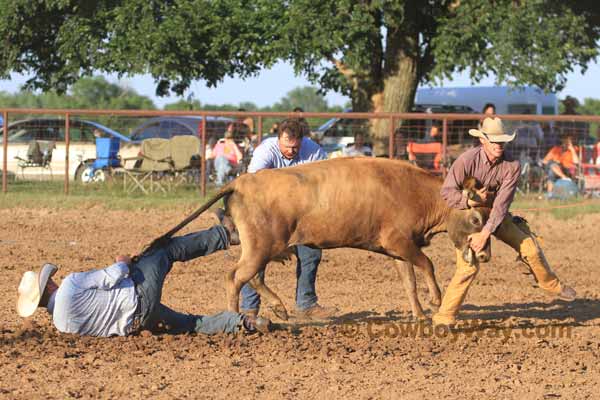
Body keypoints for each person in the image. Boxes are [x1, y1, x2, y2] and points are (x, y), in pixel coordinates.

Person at [432, 116, 576, 327]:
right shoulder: (466, 160)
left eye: (502, 141)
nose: (499, 145)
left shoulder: (512, 165)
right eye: (494, 140)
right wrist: (469, 199)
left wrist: (485, 234)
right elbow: (447, 192)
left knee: (531, 248)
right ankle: (444, 317)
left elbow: (501, 205)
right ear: (483, 141)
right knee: (468, 267)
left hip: (495, 215)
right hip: (465, 216)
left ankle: (550, 284)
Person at [16, 221, 271, 337]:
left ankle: (243, 323)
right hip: (138, 293)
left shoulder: (62, 325)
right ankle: (225, 235)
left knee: (192, 324)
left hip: (137, 323)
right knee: (166, 250)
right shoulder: (71, 284)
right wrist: (123, 261)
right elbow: (114, 275)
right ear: (49, 284)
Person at [240, 118, 337, 320]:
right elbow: (252, 186)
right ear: (278, 140)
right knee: (256, 254)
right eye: (287, 146)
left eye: (295, 147)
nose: (291, 151)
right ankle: (249, 309)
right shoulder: (265, 151)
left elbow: (328, 180)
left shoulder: (313, 150)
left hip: (303, 213)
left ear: (302, 141)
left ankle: (306, 304)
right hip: (268, 211)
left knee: (311, 253)